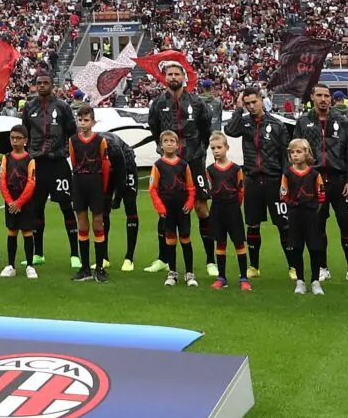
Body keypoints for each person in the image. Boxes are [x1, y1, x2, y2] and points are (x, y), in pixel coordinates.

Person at [292, 83, 348, 282]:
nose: (324, 99)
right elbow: (296, 151)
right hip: (315, 180)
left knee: (345, 223)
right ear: (312, 98)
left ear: (331, 99)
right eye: (320, 95)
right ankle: (322, 267)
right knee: (318, 225)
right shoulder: (303, 122)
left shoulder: (342, 121)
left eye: (327, 96)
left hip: (339, 180)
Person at [226, 85, 284, 283]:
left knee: (284, 225)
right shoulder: (244, 123)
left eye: (254, 102)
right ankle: (254, 266)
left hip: (274, 181)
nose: (251, 106)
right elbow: (229, 130)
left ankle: (293, 265)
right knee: (252, 225)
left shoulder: (277, 125)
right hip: (252, 180)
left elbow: (285, 155)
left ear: (262, 100)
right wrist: (237, 108)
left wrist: (286, 180)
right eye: (247, 103)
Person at [19, 74, 79, 266]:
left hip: (58, 164)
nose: (42, 86)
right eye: (39, 83)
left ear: (52, 85)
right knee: (37, 209)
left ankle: (75, 254)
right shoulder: (29, 107)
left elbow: (72, 132)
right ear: (35, 86)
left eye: (45, 83)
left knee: (66, 207)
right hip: (37, 165)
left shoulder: (62, 107)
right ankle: (39, 253)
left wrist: (63, 152)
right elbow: (24, 133)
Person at [67, 105, 114, 283]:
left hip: (95, 182)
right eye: (80, 120)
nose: (83, 123)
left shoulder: (100, 141)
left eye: (86, 120)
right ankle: (85, 268)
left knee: (98, 223)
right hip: (79, 183)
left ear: (93, 122)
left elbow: (105, 165)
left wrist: (102, 188)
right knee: (82, 224)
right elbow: (73, 160)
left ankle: (100, 267)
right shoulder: (73, 140)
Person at [281, 136, 332, 294]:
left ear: (307, 153)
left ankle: (315, 281)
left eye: (299, 152)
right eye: (292, 152)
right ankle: (300, 281)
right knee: (296, 247)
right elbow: (283, 194)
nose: (295, 155)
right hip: (295, 214)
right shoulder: (287, 174)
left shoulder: (314, 174)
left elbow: (321, 195)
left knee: (315, 248)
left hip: (311, 215)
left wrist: (314, 209)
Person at [151, 129, 199, 287]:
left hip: (182, 208)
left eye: (172, 141)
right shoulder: (158, 165)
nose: (169, 144)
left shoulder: (183, 164)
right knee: (170, 240)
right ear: (161, 146)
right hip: (167, 209)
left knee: (185, 238)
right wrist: (160, 208)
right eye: (166, 141)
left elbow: (191, 187)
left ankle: (189, 273)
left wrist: (190, 203)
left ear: (177, 145)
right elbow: (153, 189)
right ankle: (172, 273)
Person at [201, 131, 246, 290]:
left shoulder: (235, 169)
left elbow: (241, 190)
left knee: (239, 243)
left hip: (233, 208)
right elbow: (210, 188)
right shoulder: (210, 170)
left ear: (226, 147)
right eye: (213, 148)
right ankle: (221, 277)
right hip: (217, 209)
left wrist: (235, 205)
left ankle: (244, 278)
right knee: (220, 243)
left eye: (219, 147)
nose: (216, 151)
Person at [0, 126, 42, 278]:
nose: (14, 140)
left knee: (27, 232)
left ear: (25, 140)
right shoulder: (6, 158)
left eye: (18, 138)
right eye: (12, 138)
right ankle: (11, 265)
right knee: (12, 231)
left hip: (25, 202)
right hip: (11, 201)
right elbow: (2, 181)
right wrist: (10, 201)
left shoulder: (30, 160)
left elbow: (31, 183)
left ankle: (30, 265)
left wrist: (19, 203)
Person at [105, 114, 144, 272]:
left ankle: (129, 258)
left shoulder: (112, 146)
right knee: (103, 210)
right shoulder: (89, 145)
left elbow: (121, 176)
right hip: (110, 167)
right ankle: (103, 257)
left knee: (130, 207)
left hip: (126, 166)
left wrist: (117, 199)